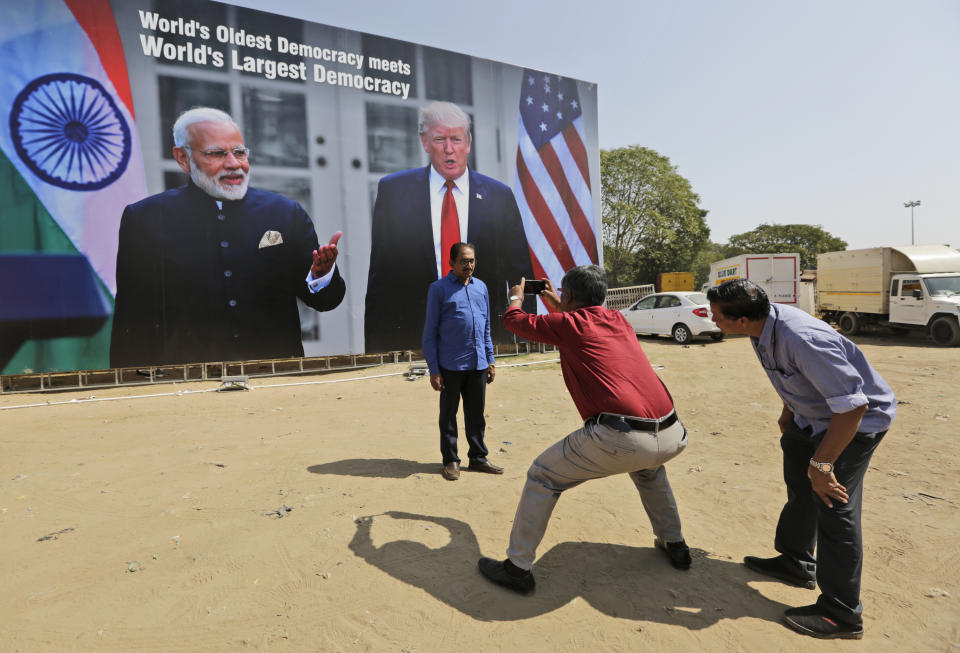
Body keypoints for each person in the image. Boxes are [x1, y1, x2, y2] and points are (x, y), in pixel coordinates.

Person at [478, 265, 691, 594]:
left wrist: (516, 298)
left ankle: (517, 567)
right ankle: (675, 544)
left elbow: (514, 322)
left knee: (542, 476)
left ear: (571, 296)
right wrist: (556, 298)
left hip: (621, 437)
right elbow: (574, 325)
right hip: (672, 433)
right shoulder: (618, 320)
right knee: (649, 471)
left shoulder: (569, 325)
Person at [706, 279, 896, 640]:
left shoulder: (802, 338)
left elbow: (853, 406)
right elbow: (793, 375)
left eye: (717, 316)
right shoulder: (762, 328)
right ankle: (795, 562)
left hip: (853, 425)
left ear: (743, 320)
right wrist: (788, 410)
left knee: (833, 505)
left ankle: (842, 614)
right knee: (799, 483)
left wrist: (822, 465)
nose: (713, 320)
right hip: (810, 417)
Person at [110, 107, 345, 367]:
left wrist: (321, 275)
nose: (234, 164)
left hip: (276, 379)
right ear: (183, 158)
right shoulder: (146, 219)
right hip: (185, 384)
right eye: (217, 153)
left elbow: (325, 301)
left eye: (240, 152)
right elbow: (132, 322)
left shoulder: (284, 212)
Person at [365, 101, 532, 353]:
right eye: (439, 139)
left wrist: (525, 338)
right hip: (415, 339)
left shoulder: (499, 196)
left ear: (468, 143)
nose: (449, 149)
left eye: (456, 139)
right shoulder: (393, 191)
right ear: (424, 142)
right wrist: (376, 351)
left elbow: (520, 274)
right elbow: (380, 276)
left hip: (483, 339)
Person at [422, 243, 503, 481]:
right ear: (452, 263)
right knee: (448, 416)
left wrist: (490, 360)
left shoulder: (482, 288)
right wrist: (434, 369)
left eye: (472, 261)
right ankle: (450, 461)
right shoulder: (438, 289)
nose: (469, 265)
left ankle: (478, 458)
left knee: (476, 415)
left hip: (478, 364)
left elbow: (486, 326)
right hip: (450, 366)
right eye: (464, 261)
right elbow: (430, 333)